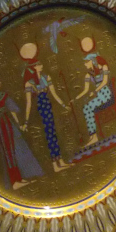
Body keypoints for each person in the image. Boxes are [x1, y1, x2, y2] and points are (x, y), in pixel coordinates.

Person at [0, 75, 43, 189]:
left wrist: (18, 124)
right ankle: (14, 181)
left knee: (15, 150)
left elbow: (12, 110)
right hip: (0, 126)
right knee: (7, 152)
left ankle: (19, 178)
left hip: (8, 124)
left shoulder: (3, 95)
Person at [20, 42, 70, 172]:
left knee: (53, 132)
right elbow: (29, 103)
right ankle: (55, 164)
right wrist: (26, 121)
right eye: (39, 64)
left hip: (47, 105)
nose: (42, 66)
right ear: (34, 67)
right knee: (49, 133)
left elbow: (54, 94)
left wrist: (63, 105)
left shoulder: (46, 77)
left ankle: (60, 161)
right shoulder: (29, 83)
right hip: (41, 107)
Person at [73, 35, 116, 146]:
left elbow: (105, 82)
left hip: (105, 93)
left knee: (88, 108)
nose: (85, 65)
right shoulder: (88, 75)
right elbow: (86, 90)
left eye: (86, 62)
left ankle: (94, 136)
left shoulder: (103, 67)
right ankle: (92, 135)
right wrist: (76, 98)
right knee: (85, 107)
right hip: (98, 94)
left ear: (92, 61)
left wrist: (95, 91)